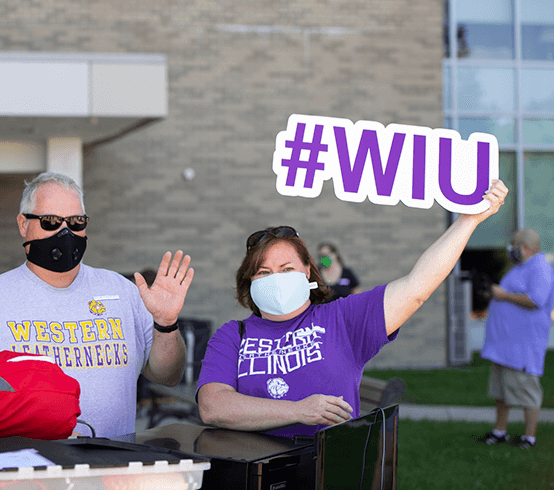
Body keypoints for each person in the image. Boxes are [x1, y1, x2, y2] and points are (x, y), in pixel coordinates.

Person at [196, 180, 508, 438]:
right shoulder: (232, 336)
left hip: (325, 472)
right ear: (249, 281)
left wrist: (468, 221)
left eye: (286, 267)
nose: (275, 278)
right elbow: (213, 406)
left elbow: (417, 286)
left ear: (308, 272)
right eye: (263, 272)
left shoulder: (342, 319)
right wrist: (300, 410)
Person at [0, 172, 193, 439]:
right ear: (23, 225)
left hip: (112, 468)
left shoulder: (123, 292)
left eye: (76, 222)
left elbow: (167, 376)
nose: (65, 232)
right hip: (25, 472)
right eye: (51, 222)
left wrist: (166, 323)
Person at [479, 228, 554, 449]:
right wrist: (493, 294)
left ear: (526, 247)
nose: (510, 248)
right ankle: (499, 431)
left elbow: (536, 300)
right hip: (503, 346)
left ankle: (529, 437)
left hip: (522, 347)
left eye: (513, 244)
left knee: (527, 393)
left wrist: (503, 295)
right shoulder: (520, 268)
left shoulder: (540, 268)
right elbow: (509, 294)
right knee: (501, 393)